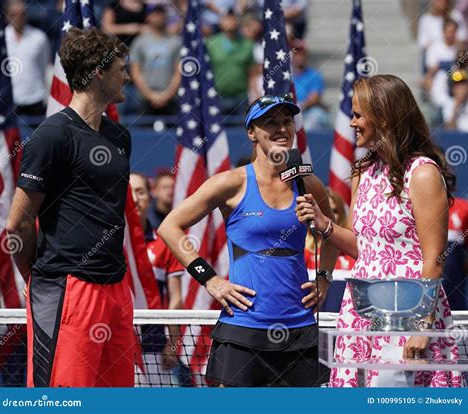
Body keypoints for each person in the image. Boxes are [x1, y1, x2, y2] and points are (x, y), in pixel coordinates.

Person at [296, 74, 464, 388]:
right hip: (361, 312)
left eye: (359, 115)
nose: (353, 122)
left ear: (384, 117)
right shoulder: (363, 172)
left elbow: (434, 258)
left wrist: (422, 326)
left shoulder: (424, 173)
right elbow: (364, 248)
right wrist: (325, 224)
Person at [158, 94, 338, 387]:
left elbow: (330, 234)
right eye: (270, 122)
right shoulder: (230, 182)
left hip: (300, 329)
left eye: (286, 121)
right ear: (251, 133)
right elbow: (170, 227)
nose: (282, 128)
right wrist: (210, 280)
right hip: (243, 328)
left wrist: (324, 278)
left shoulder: (309, 184)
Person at [6, 27, 133, 387]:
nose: (127, 76)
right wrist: (39, 279)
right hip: (67, 289)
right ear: (98, 73)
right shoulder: (51, 136)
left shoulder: (119, 135)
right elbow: (17, 224)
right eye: (121, 68)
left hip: (117, 288)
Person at [130, 173, 184, 387]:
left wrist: (173, 342)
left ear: (149, 197)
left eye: (140, 192)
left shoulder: (164, 244)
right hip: (118, 345)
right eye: (129, 193)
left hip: (155, 348)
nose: (135, 199)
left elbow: (175, 299)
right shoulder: (108, 244)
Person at [304, 188, 355, 312]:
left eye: (334, 211)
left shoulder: (353, 254)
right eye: (320, 211)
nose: (325, 215)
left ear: (342, 214)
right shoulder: (302, 254)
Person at [130, 5, 182, 116]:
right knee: (144, 132)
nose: (158, 17)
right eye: (155, 14)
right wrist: (150, 95)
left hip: (171, 98)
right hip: (146, 99)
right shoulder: (140, 42)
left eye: (161, 14)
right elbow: (136, 72)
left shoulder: (176, 41)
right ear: (148, 17)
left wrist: (167, 95)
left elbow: (179, 71)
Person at [5, 0, 51, 116]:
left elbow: (45, 66)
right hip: (9, 101)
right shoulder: (1, 39)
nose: (18, 18)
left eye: (22, 14)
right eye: (14, 14)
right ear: (7, 16)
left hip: (36, 99)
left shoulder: (39, 38)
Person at [206, 9, 256, 115]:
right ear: (220, 21)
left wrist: (255, 96)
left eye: (233, 18)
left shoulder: (247, 44)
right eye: (227, 18)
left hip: (241, 98)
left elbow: (252, 73)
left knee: (241, 129)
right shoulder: (211, 43)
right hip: (217, 98)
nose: (231, 21)